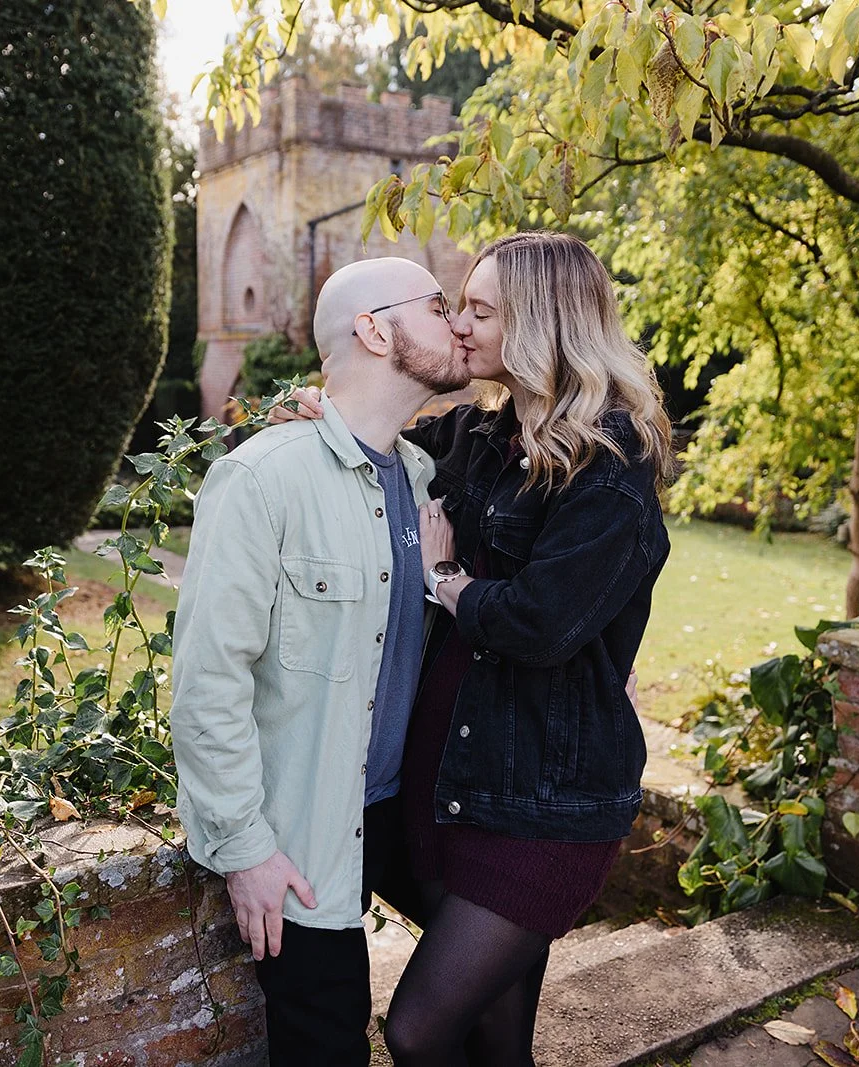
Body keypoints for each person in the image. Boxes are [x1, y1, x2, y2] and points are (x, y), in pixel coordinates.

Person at [274, 231, 674, 1065]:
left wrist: (448, 577)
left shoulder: (612, 463)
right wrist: (322, 411)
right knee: (495, 1035)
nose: (460, 323)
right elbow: (378, 433)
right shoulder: (486, 437)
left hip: (547, 801)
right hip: (460, 777)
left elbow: (543, 624)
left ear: (539, 325)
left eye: (481, 309)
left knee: (418, 1029)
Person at [169, 256, 470, 1066]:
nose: (460, 323)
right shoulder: (261, 478)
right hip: (300, 830)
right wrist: (246, 850)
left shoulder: (423, 475)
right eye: (440, 305)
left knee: (489, 972)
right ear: (374, 330)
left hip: (401, 809)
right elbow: (206, 684)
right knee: (327, 1044)